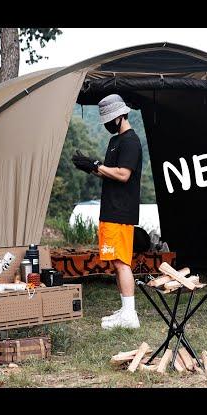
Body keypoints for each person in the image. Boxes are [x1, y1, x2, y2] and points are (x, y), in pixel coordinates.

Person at [72, 94, 143, 329]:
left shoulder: (131, 142)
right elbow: (107, 172)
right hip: (109, 210)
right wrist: (89, 166)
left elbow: (123, 174)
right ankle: (124, 309)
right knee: (115, 261)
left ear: (121, 116)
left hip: (121, 212)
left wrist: (96, 166)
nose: (106, 123)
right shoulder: (115, 141)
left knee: (122, 262)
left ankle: (130, 315)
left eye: (110, 119)